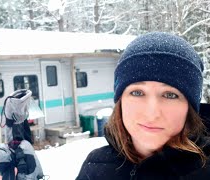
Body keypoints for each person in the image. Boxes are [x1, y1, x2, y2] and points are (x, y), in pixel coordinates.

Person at [76, 32, 210, 180]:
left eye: (170, 95)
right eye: (137, 93)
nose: (151, 114)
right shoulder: (95, 166)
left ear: (190, 109)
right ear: (120, 101)